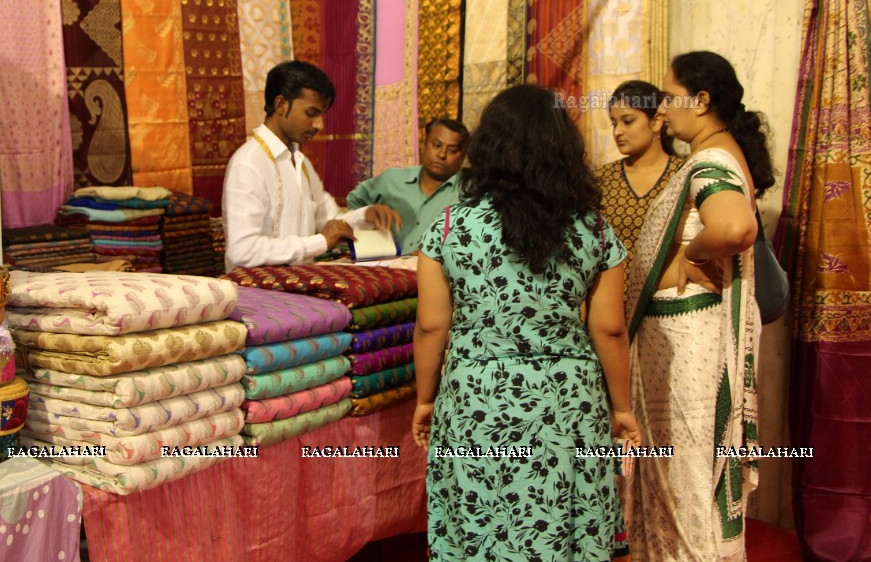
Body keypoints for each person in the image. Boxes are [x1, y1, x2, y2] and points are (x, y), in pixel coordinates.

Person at [411, 84, 641, 561]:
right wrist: (622, 409)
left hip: (477, 397)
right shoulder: (595, 229)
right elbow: (610, 330)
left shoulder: (450, 227)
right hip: (567, 400)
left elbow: (432, 326)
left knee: (481, 524)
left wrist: (425, 398)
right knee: (564, 518)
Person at [625, 51, 774, 561]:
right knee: (687, 476)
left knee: (685, 478)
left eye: (668, 96)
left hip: (688, 347)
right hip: (689, 341)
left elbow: (735, 228)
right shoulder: (723, 153)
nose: (662, 110)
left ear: (702, 100)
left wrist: (690, 253)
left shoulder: (711, 160)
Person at [222, 61, 399, 271]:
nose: (319, 125)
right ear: (281, 105)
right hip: (257, 294)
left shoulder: (300, 163)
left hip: (297, 286)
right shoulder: (249, 163)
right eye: (311, 113)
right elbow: (242, 251)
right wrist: (319, 242)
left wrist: (366, 216)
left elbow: (330, 222)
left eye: (321, 114)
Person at [346, 118, 469, 254]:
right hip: (385, 268)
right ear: (424, 145)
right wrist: (370, 223)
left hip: (435, 272)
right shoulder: (391, 179)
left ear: (463, 157)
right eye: (436, 145)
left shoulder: (469, 192)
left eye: (452, 150)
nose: (442, 154)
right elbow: (354, 202)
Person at [596, 80, 683, 266]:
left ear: (656, 121)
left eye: (628, 121)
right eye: (614, 124)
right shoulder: (602, 178)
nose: (618, 132)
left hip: (666, 290)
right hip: (613, 292)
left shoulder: (682, 174)